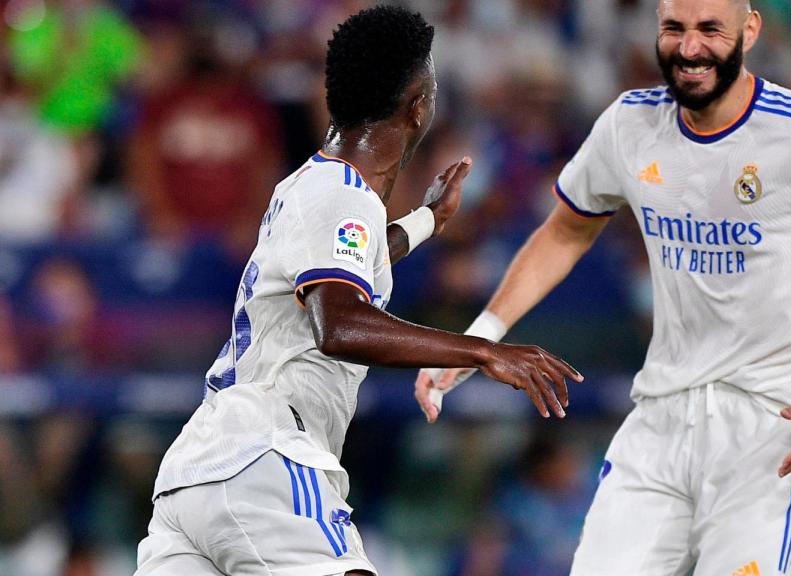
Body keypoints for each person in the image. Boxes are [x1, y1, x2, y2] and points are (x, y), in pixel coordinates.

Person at [416, 0, 791, 573]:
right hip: (658, 423)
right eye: (674, 28)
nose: (690, 47)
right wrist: (483, 336)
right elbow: (565, 233)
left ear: (750, 31)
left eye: (710, 29)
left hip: (768, 434)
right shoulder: (629, 125)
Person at [135, 6, 581, 576]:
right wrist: (484, 350)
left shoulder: (314, 183)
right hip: (263, 455)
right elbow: (339, 323)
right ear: (418, 106)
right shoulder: (340, 194)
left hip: (196, 473)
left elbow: (350, 265)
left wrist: (424, 222)